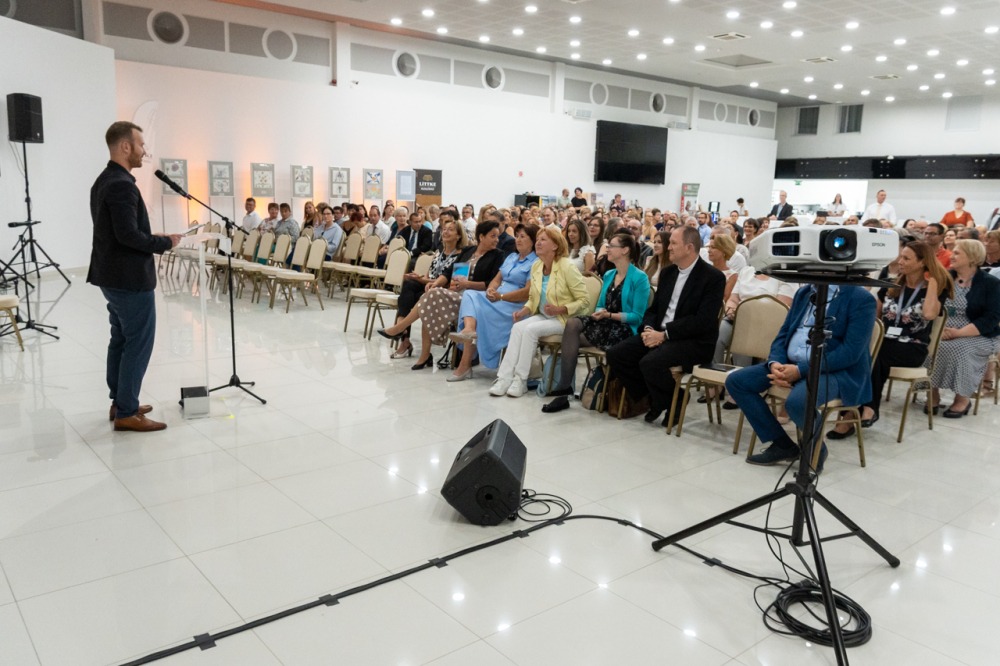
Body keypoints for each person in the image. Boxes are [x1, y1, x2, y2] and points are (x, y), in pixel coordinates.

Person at [88, 121, 181, 432]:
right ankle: (127, 412)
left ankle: (120, 401)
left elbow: (120, 231)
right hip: (128, 279)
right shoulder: (121, 185)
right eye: (141, 144)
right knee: (138, 342)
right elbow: (128, 236)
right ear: (125, 146)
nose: (144, 151)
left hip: (111, 276)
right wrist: (164, 243)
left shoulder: (104, 180)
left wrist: (153, 237)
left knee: (121, 338)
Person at [725, 283, 877, 469]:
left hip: (834, 370)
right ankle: (782, 445)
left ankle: (816, 450)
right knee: (737, 382)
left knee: (798, 402)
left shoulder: (860, 298)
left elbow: (849, 353)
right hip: (790, 363)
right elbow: (784, 333)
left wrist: (800, 371)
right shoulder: (804, 292)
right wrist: (776, 363)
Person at [828, 241, 952, 438]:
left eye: (906, 258)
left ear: (922, 262)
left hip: (913, 346)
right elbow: (874, 319)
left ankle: (860, 410)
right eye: (901, 256)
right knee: (859, 352)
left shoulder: (934, 289)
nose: (900, 261)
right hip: (885, 341)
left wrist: (934, 281)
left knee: (875, 355)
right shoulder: (890, 286)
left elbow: (929, 314)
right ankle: (855, 409)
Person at [606, 226, 726, 426]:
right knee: (616, 354)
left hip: (692, 341)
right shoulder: (668, 272)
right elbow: (654, 310)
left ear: (689, 247)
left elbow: (703, 321)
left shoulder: (712, 278)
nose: (668, 247)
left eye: (673, 243)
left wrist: (665, 334)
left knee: (650, 362)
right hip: (659, 333)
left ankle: (666, 399)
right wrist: (648, 329)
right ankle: (663, 398)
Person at [542, 233, 651, 413]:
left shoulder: (640, 278)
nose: (607, 249)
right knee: (573, 324)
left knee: (571, 338)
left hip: (623, 329)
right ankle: (564, 389)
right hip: (604, 323)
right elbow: (601, 303)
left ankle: (563, 391)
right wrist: (600, 312)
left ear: (625, 250)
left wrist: (609, 315)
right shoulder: (609, 274)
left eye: (612, 246)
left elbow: (637, 317)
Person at [379, 221, 503, 370]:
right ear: (481, 237)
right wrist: (436, 283)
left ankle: (400, 328)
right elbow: (448, 273)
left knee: (430, 297)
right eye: (493, 236)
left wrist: (467, 284)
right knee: (428, 298)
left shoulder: (497, 255)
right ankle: (422, 353)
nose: (497, 240)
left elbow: (491, 283)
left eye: (497, 236)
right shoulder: (468, 250)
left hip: (472, 298)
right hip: (454, 292)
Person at [489, 227, 591, 398]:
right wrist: (524, 310)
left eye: (543, 240)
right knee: (518, 327)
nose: (538, 243)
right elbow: (533, 296)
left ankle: (520, 380)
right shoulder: (537, 265)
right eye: (537, 239)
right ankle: (504, 378)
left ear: (555, 246)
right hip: (544, 315)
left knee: (530, 330)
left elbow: (584, 301)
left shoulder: (567, 266)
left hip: (565, 319)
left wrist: (561, 308)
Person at [448, 224, 539, 381]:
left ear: (533, 241)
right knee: (469, 294)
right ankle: (469, 329)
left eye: (523, 237)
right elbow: (497, 280)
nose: (518, 240)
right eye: (517, 236)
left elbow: (527, 292)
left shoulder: (536, 262)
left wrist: (501, 297)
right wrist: (491, 290)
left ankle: (465, 365)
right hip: (497, 298)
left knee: (478, 311)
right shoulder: (512, 257)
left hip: (513, 305)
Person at [928, 240, 1000, 418]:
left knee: (960, 349)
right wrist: (939, 331)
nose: (951, 256)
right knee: (928, 347)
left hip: (978, 334)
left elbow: (991, 318)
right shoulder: (944, 278)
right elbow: (932, 308)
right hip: (942, 330)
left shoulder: (991, 283)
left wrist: (958, 333)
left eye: (957, 253)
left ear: (972, 257)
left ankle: (962, 399)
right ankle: (931, 393)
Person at [381, 214, 467, 359]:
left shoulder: (462, 256)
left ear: (458, 236)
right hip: (429, 288)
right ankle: (403, 335)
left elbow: (453, 284)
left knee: (415, 296)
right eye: (444, 229)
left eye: (450, 230)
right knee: (409, 285)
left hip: (443, 293)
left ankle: (401, 331)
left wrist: (425, 281)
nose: (445, 232)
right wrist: (419, 278)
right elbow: (429, 278)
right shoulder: (439, 252)